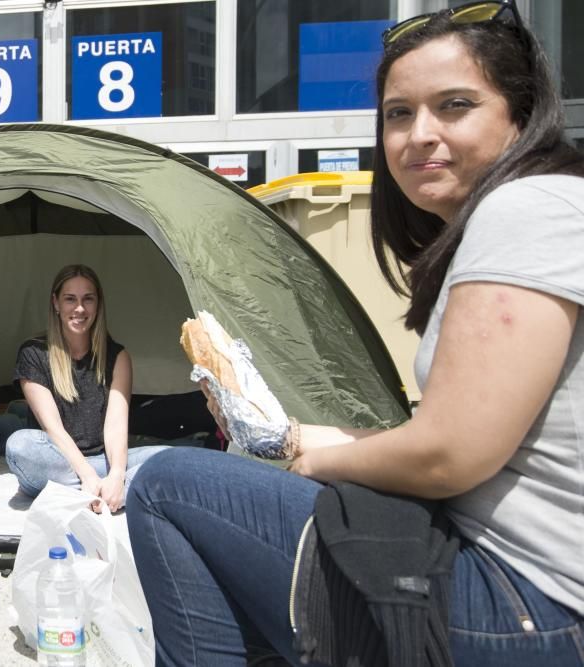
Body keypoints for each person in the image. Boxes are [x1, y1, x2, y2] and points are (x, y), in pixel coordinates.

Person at [127, 2, 584, 665]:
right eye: (398, 113)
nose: (419, 134)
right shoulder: (538, 207)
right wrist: (287, 439)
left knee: (168, 485)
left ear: (518, 115)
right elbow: (454, 438)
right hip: (526, 591)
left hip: (529, 605)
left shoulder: (527, 207)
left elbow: (448, 455)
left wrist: (313, 459)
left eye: (454, 106)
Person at [5, 264, 168, 513]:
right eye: (70, 299)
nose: (79, 308)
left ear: (98, 305)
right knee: (19, 447)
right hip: (57, 461)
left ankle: (98, 492)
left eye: (87, 299)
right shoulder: (34, 353)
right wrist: (87, 476)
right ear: (56, 303)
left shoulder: (117, 357)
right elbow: (53, 428)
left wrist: (115, 475)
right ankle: (111, 493)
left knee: (169, 459)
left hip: (103, 461)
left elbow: (115, 426)